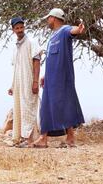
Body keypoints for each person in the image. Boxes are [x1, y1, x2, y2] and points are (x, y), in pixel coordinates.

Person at [32, 8, 85, 148]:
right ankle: (43, 138)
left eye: (48, 18)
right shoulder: (52, 37)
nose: (47, 21)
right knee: (47, 107)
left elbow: (72, 30)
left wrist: (78, 30)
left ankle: (70, 137)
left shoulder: (63, 31)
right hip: (51, 79)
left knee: (66, 104)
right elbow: (51, 59)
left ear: (53, 18)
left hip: (63, 77)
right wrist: (45, 75)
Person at [7, 16, 41, 147]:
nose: (20, 30)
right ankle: (23, 138)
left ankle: (31, 140)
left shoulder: (32, 42)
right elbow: (16, 67)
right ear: (13, 30)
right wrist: (12, 86)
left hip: (29, 81)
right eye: (17, 28)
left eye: (21, 27)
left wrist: (35, 82)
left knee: (29, 108)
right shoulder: (15, 47)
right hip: (19, 83)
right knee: (20, 109)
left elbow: (37, 61)